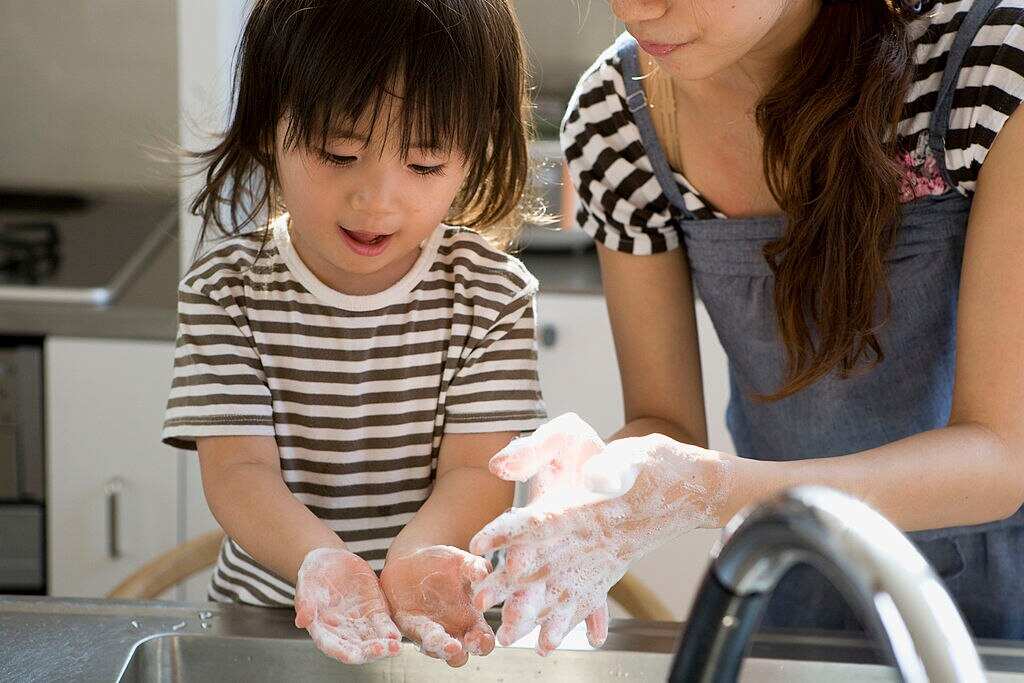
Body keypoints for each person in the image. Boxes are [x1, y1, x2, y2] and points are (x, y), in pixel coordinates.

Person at [471, 0, 1024, 653]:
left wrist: (711, 489)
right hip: (785, 606)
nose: (633, 8)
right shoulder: (617, 118)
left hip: (997, 625)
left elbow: (1001, 453)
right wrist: (599, 484)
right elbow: (665, 422)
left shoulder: (988, 63)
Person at [161, 0, 547, 668]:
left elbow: (473, 472)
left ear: (473, 152)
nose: (377, 198)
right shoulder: (226, 291)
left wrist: (412, 564)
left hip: (433, 621)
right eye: (339, 152)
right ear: (264, 127)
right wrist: (324, 562)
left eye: (424, 165)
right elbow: (240, 470)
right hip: (267, 621)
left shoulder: (492, 294)